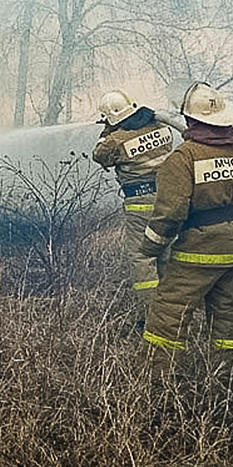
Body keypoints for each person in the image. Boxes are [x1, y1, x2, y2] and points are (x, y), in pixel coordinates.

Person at [137, 81, 233, 376]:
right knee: (227, 315)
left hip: (200, 249)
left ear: (190, 120)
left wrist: (151, 248)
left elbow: (170, 212)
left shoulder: (183, 158)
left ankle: (160, 379)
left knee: (170, 310)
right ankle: (223, 378)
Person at [92, 90, 175, 329]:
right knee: (167, 254)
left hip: (141, 203)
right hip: (170, 198)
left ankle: (153, 321)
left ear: (110, 118)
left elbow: (100, 156)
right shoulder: (160, 126)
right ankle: (173, 317)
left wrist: (108, 129)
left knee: (142, 258)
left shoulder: (115, 140)